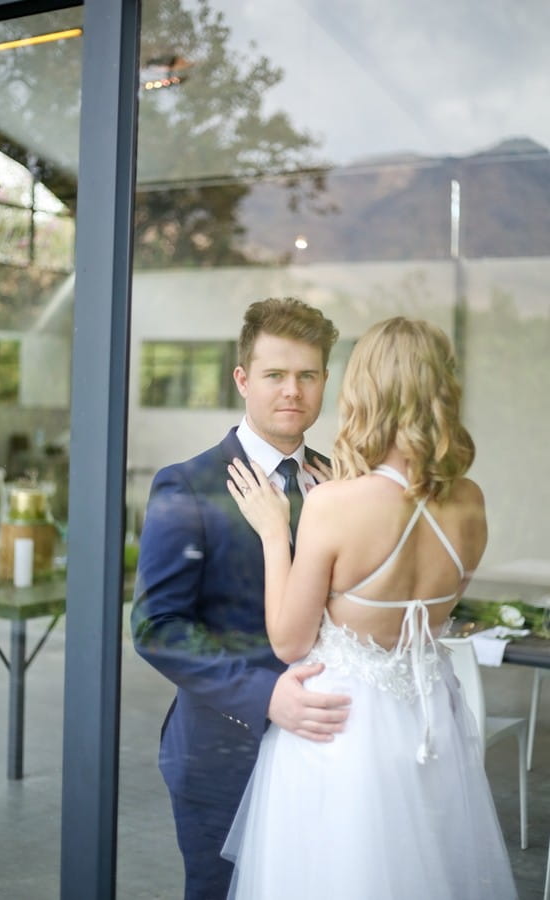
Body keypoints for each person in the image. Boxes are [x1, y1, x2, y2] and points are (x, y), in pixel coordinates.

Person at [223, 316, 518, 899]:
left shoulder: (336, 504)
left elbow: (289, 641)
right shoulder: (471, 501)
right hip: (428, 723)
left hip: (341, 728)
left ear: (365, 389)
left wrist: (272, 531)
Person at [131, 297, 350, 900]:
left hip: (328, 746)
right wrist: (264, 694)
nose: (292, 391)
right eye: (275, 374)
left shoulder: (342, 482)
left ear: (325, 381)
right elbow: (158, 627)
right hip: (223, 753)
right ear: (243, 380)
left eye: (308, 375)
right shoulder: (188, 484)